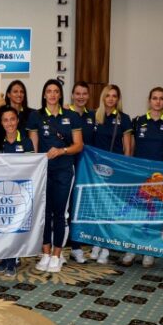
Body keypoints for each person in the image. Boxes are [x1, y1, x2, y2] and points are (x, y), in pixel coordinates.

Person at [27, 79, 83, 273]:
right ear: (44, 94)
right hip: (43, 172)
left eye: (56, 91)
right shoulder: (36, 116)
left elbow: (79, 145)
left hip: (64, 170)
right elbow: (34, 147)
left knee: (60, 214)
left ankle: (57, 255)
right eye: (49, 91)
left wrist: (61, 151)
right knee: (44, 213)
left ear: (60, 95)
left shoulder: (71, 116)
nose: (52, 94)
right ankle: (45, 253)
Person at [123, 87, 163, 268]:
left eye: (161, 98)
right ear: (149, 100)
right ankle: (131, 249)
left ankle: (149, 250)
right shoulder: (138, 121)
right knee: (137, 213)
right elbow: (131, 148)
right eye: (154, 98)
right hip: (141, 178)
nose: (158, 101)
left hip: (160, 179)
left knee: (154, 214)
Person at [0, 106, 35, 277]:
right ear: (1, 123)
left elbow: (32, 165)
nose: (9, 123)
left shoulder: (26, 142)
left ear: (18, 120)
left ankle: (12, 259)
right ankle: (5, 257)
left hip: (19, 190)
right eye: (5, 120)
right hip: (0, 190)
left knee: (15, 225)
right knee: (3, 224)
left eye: (12, 119)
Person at [89, 84, 133, 264]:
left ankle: (106, 247)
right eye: (108, 95)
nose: (111, 99)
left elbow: (128, 148)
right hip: (95, 170)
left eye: (114, 96)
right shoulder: (94, 116)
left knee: (111, 209)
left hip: (115, 171)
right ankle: (97, 242)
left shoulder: (124, 119)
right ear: (103, 97)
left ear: (118, 99)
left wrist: (125, 171)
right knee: (98, 208)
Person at [67, 81, 95, 264]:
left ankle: (79, 245)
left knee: (83, 207)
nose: (81, 97)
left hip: (88, 169)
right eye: (78, 93)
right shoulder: (65, 114)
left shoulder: (93, 116)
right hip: (68, 166)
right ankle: (73, 247)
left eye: (84, 93)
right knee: (69, 207)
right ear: (72, 95)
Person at [0, 80, 33, 153]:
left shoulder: (32, 114)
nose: (19, 94)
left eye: (22, 92)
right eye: (15, 91)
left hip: (25, 151)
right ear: (8, 94)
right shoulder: (2, 112)